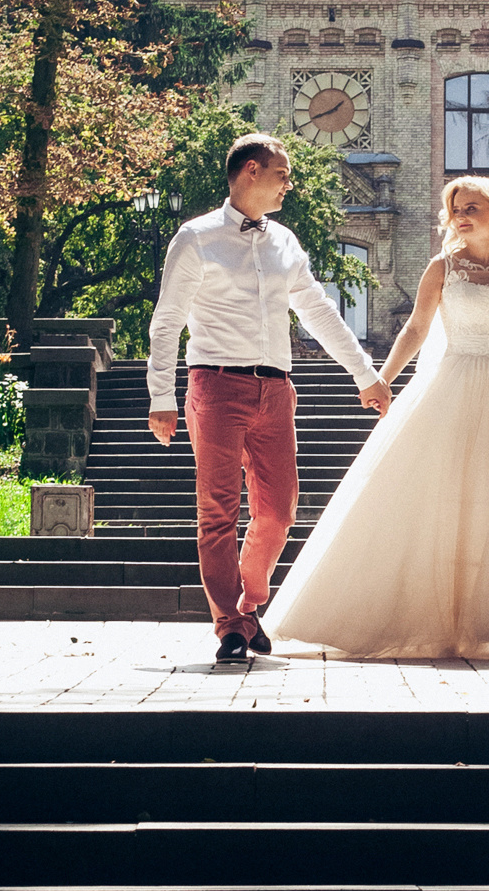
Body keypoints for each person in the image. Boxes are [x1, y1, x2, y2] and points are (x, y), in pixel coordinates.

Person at [265, 175, 489, 660]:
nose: (461, 215)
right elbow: (416, 328)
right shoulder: (442, 268)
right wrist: (382, 379)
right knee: (445, 503)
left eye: (472, 208)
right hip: (454, 384)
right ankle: (440, 621)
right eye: (456, 208)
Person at [146, 133, 392, 663]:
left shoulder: (284, 242)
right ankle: (230, 625)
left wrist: (365, 374)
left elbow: (319, 311)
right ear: (251, 171)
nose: (289, 183)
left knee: (278, 512)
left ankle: (248, 601)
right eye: (283, 173)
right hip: (214, 385)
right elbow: (166, 322)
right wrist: (160, 396)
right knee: (217, 511)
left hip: (276, 389)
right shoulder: (196, 238)